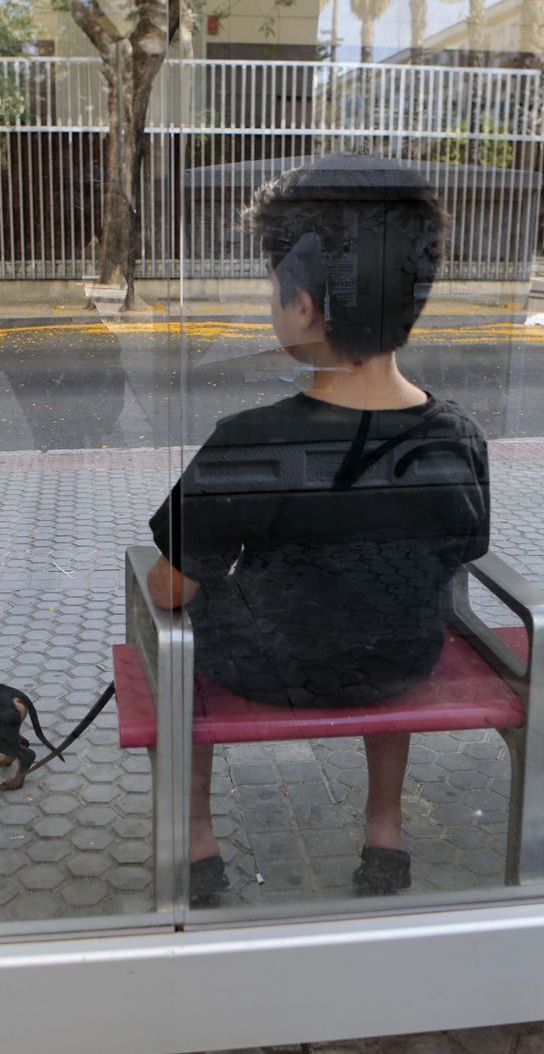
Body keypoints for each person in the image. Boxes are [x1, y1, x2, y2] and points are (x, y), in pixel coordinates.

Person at [146, 155, 492, 905]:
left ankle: (198, 839)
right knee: (394, 593)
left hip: (272, 669)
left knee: (176, 636)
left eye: (273, 288)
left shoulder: (254, 439)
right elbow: (457, 553)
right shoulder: (457, 436)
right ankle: (385, 830)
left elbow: (170, 587)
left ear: (303, 306)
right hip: (402, 659)